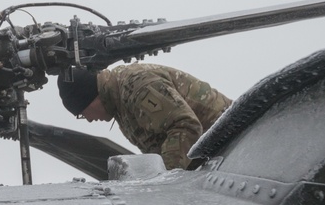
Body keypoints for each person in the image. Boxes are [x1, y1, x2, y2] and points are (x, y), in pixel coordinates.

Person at [57, 63, 231, 170]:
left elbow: (185, 125)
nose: (88, 119)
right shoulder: (119, 102)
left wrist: (167, 179)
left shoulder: (136, 88)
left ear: (91, 99)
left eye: (82, 113)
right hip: (213, 157)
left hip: (232, 143)